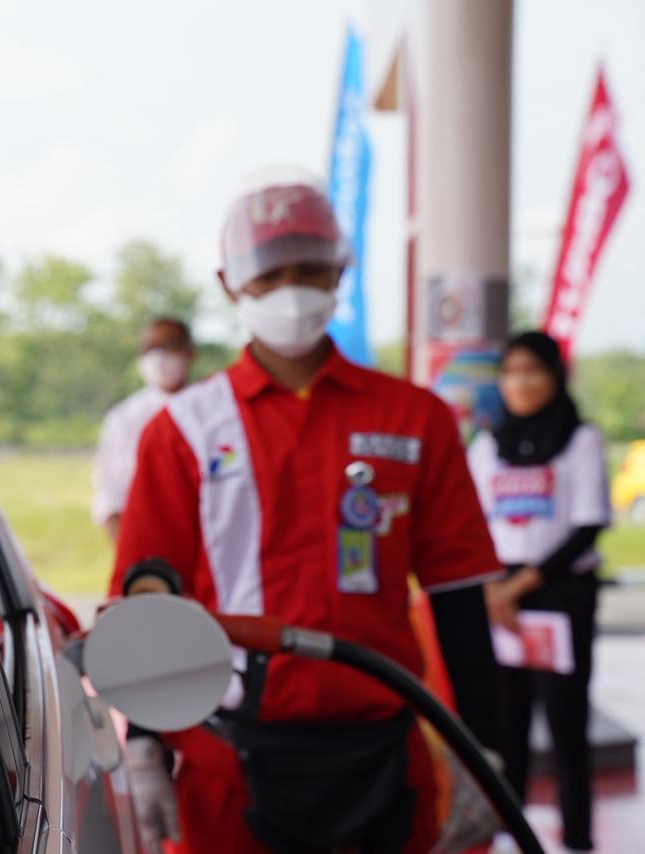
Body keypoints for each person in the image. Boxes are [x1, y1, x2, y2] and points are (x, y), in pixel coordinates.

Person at [110, 174, 503, 853]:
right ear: (231, 283)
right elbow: (149, 600)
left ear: (340, 271)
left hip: (383, 750)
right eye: (269, 274)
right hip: (228, 758)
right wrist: (144, 743)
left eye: (309, 269)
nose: (291, 290)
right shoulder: (185, 429)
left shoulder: (415, 418)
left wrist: (484, 751)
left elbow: (458, 594)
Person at [467, 331, 609, 853]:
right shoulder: (487, 446)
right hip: (498, 599)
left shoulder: (580, 439)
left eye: (532, 370)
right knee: (506, 725)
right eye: (510, 372)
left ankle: (577, 838)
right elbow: (470, 524)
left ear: (554, 375)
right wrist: (494, 590)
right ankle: (511, 833)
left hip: (559, 595)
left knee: (566, 724)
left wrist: (518, 586)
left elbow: (588, 525)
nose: (520, 383)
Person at [92, 317, 196, 539]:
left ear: (190, 353)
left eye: (169, 346)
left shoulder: (215, 411)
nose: (158, 357)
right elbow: (111, 498)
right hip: (149, 539)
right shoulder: (123, 418)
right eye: (149, 348)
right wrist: (134, 554)